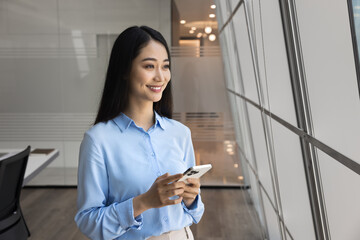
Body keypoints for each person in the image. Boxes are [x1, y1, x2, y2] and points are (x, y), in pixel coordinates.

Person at [74, 26, 205, 240]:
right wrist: (143, 202)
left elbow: (195, 212)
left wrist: (191, 199)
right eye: (149, 66)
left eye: (165, 66)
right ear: (125, 70)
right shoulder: (98, 140)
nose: (160, 76)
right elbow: (88, 221)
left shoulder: (180, 133)